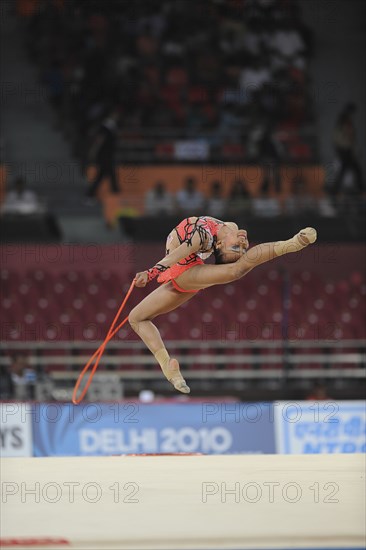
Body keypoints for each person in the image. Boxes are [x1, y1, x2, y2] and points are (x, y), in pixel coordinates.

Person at [129, 216, 317, 393]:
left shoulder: (203, 235)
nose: (243, 245)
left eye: (237, 248)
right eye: (242, 247)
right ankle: (168, 368)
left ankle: (291, 244)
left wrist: (150, 272)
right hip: (185, 272)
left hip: (185, 270)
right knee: (136, 318)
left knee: (236, 270)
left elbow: (179, 253)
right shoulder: (231, 227)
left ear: (219, 245)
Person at [86, 109, 120, 200]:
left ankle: (91, 193)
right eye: (116, 114)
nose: (117, 116)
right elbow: (100, 140)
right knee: (108, 174)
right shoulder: (105, 126)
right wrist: (93, 151)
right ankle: (115, 191)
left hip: (108, 154)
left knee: (102, 175)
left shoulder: (112, 126)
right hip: (104, 155)